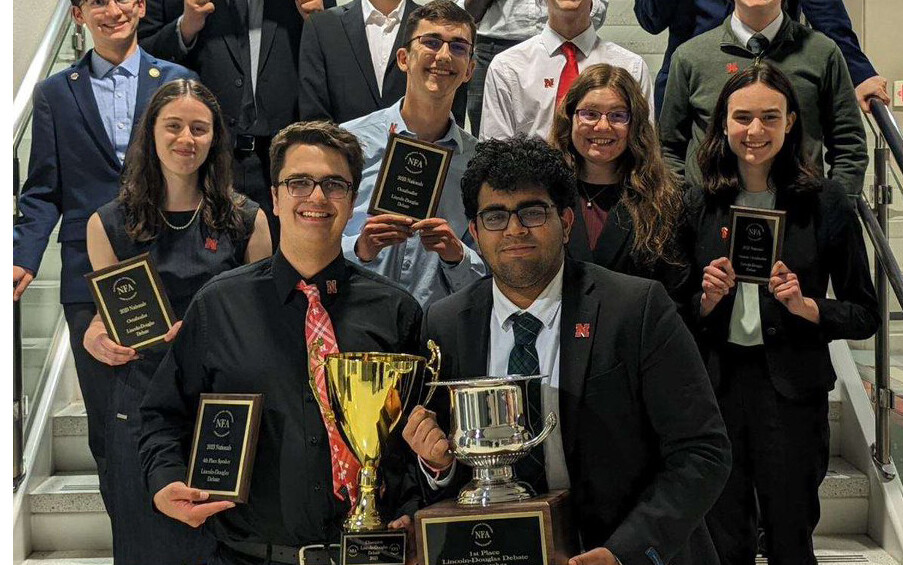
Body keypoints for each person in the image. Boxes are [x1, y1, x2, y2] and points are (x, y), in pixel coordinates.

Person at [404, 135, 732, 565]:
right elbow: (446, 467)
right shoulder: (445, 323)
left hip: (617, 550)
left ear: (567, 223)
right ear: (475, 232)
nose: (515, 229)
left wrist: (623, 553)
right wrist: (436, 465)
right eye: (496, 216)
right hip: (499, 553)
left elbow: (703, 452)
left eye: (533, 212)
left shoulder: (636, 308)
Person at [139, 121, 422, 565]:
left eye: (334, 184)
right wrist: (166, 479)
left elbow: (417, 435)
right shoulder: (218, 307)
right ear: (274, 197)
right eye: (298, 183)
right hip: (250, 556)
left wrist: (411, 507)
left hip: (372, 555)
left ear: (351, 202)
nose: (316, 197)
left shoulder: (396, 311)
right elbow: (162, 413)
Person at [683, 63, 879, 564]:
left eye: (770, 117)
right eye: (742, 117)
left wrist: (808, 307)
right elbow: (669, 308)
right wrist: (704, 301)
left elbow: (864, 313)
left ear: (791, 122)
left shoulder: (826, 201)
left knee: (792, 539)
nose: (755, 132)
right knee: (726, 542)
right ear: (722, 123)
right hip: (717, 388)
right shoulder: (695, 203)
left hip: (793, 391)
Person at [12, 0, 195, 517]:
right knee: (111, 430)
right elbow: (42, 190)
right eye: (96, 1)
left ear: (140, 6)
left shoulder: (177, 81)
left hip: (171, 266)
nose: (112, 10)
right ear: (77, 15)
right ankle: (128, 538)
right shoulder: (53, 94)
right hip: (88, 280)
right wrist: (22, 256)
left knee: (178, 416)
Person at [82, 78, 271, 564]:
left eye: (199, 128)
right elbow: (108, 318)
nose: (186, 138)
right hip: (140, 407)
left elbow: (265, 321)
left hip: (223, 409)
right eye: (174, 126)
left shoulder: (248, 220)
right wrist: (97, 334)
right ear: (151, 133)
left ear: (214, 139)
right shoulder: (107, 224)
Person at [139, 0, 337, 246]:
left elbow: (333, 67)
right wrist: (185, 28)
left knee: (284, 269)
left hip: (285, 162)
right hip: (202, 161)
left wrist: (319, 24)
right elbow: (142, 58)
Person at [341, 0, 486, 308]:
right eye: (431, 42)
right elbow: (314, 237)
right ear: (404, 59)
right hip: (356, 318)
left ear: (469, 70)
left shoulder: (479, 162)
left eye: (459, 47)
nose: (444, 56)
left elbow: (490, 268)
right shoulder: (350, 142)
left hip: (438, 328)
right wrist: (361, 248)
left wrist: (457, 255)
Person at [658, 0, 868, 194]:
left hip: (800, 215)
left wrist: (837, 208)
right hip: (711, 217)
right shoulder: (690, 57)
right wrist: (683, 210)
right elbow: (669, 149)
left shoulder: (823, 54)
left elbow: (848, 144)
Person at [548, 63, 689, 306]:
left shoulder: (668, 199)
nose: (602, 126)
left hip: (633, 339)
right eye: (590, 113)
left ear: (635, 125)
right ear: (569, 118)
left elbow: (674, 297)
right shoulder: (544, 192)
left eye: (617, 115)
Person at [633, 0, 891, 115]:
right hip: (694, 86)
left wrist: (861, 74)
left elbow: (827, 14)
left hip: (772, 78)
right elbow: (650, 20)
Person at [479, 0, 653, 141]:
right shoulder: (508, 67)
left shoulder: (631, 68)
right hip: (530, 182)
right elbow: (493, 156)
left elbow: (643, 149)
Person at [298, 0, 468, 126]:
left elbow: (452, 110)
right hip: (342, 163)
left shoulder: (437, 30)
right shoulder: (323, 26)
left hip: (420, 162)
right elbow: (314, 114)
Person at [453, 0, 609, 136]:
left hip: (560, 44)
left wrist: (570, 9)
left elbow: (598, 12)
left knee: (578, 125)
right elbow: (463, 15)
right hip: (492, 47)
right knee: (490, 142)